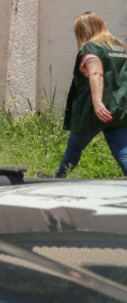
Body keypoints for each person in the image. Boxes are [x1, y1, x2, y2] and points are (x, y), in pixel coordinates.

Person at [53, 11, 127, 178]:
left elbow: (96, 74)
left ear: (85, 30)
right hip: (118, 107)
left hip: (94, 110)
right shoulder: (120, 46)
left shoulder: (92, 47)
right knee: (123, 150)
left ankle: (58, 179)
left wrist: (97, 103)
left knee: (74, 147)